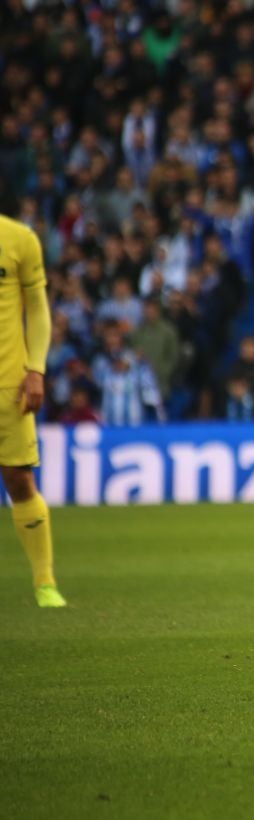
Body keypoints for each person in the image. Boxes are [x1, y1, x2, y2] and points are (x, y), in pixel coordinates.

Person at [0, 214, 65, 607]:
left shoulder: (19, 238)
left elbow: (38, 309)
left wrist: (36, 369)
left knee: (19, 479)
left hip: (7, 384)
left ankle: (45, 582)